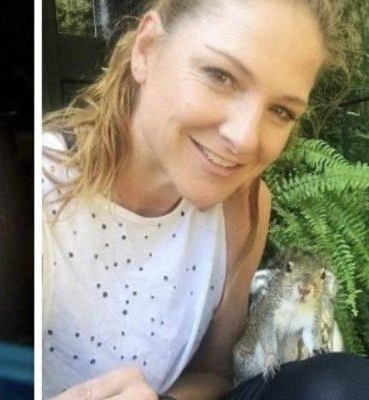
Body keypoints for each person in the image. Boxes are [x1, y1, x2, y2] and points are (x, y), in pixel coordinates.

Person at [42, 0, 368, 399]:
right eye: (221, 76)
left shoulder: (242, 204)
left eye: (281, 110)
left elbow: (213, 373)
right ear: (145, 50)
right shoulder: (47, 192)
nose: (246, 137)